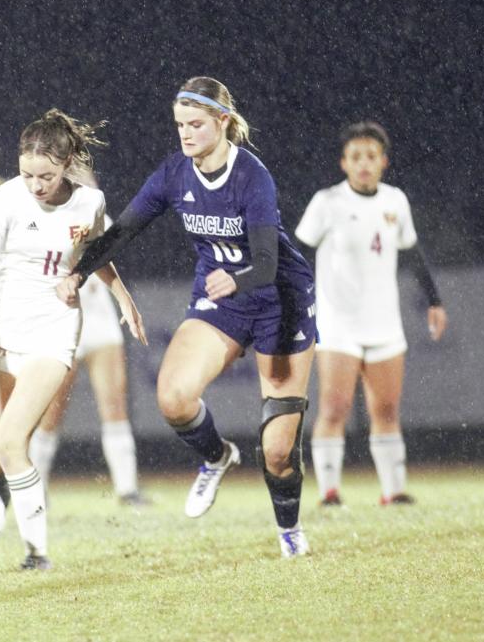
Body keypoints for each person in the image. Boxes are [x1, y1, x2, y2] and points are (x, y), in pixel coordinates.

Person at [58, 77, 318, 558]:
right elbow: (122, 232)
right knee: (174, 398)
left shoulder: (252, 176)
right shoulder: (175, 173)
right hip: (222, 298)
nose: (185, 133)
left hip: (279, 299)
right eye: (179, 125)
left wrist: (236, 279)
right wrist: (78, 272)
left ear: (223, 121)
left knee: (279, 451)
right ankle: (217, 458)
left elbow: (265, 262)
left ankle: (289, 533)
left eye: (196, 124)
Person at [0, 109, 147, 571]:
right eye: (27, 174)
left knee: (10, 440)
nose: (36, 185)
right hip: (0, 331)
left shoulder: (89, 202)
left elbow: (99, 253)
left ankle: (36, 553)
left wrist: (123, 297)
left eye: (46, 176)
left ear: (66, 167)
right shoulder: (5, 199)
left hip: (54, 330)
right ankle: (14, 519)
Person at [294, 121, 447, 507]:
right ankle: (329, 492)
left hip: (384, 323)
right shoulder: (327, 202)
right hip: (337, 324)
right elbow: (298, 254)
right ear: (343, 163)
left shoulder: (395, 201)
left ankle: (392, 491)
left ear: (384, 162)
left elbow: (412, 253)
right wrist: (294, 301)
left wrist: (434, 300)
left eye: (371, 156)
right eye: (356, 157)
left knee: (386, 408)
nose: (364, 163)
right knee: (334, 407)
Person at [28, 217, 148, 506]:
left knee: (115, 406)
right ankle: (34, 491)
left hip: (100, 322)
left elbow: (107, 254)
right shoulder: (34, 215)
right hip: (60, 320)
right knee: (50, 413)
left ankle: (127, 490)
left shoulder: (94, 211)